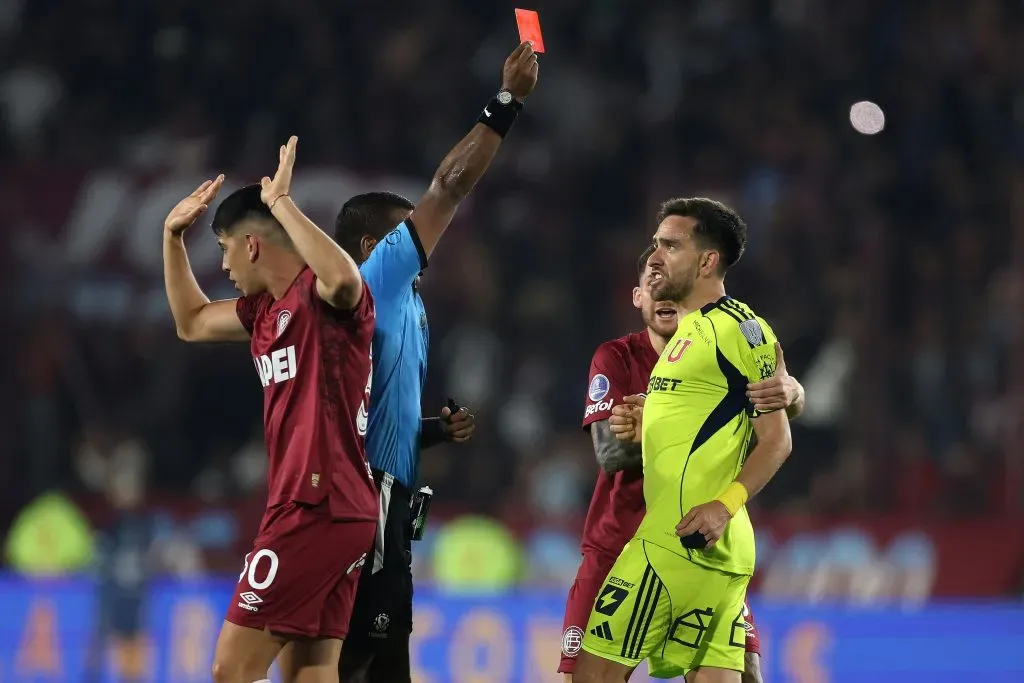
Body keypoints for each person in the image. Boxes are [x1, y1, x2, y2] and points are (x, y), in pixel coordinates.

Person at [276, 41, 539, 683]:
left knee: (386, 666)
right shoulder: (377, 277)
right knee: (348, 664)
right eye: (405, 234)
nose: (424, 245)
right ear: (374, 243)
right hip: (363, 501)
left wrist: (430, 432)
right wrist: (506, 103)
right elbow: (449, 185)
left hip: (388, 498)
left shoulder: (405, 304)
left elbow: (366, 410)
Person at [162, 137, 377, 683]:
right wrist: (172, 239)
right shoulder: (262, 313)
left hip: (314, 505)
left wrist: (282, 202)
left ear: (253, 246)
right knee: (309, 673)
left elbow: (347, 280)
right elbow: (190, 323)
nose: (224, 264)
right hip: (340, 509)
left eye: (224, 248)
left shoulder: (321, 295)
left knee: (231, 669)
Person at [573, 198, 794, 683]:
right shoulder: (687, 334)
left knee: (590, 678)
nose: (658, 258)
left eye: (670, 246)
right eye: (656, 245)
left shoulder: (741, 328)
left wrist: (723, 505)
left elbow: (776, 439)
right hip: (708, 550)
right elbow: (708, 419)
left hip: (674, 544)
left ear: (706, 261)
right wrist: (645, 421)